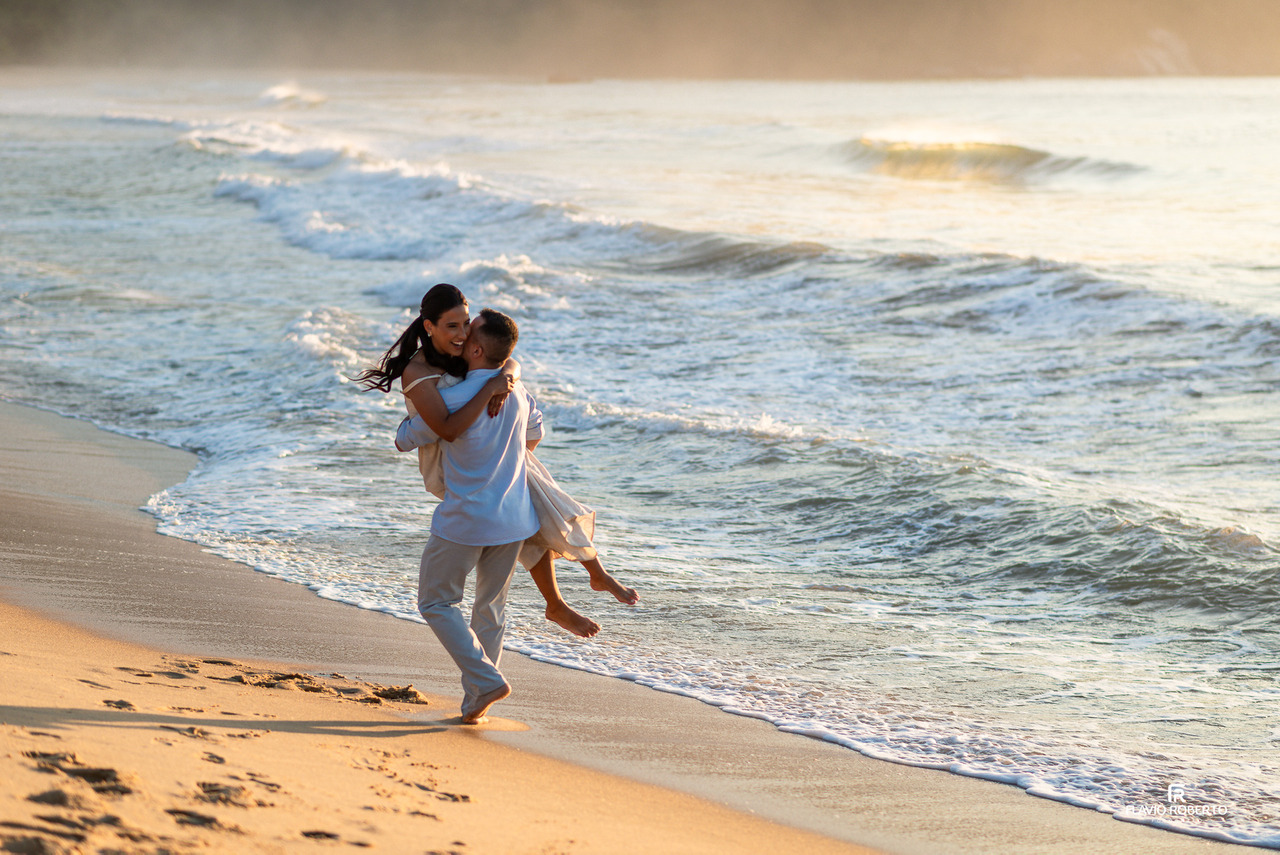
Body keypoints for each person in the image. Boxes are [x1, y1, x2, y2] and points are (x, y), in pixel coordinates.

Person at [359, 284, 636, 638]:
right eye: (453, 327)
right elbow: (430, 431)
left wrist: (508, 378)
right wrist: (497, 388)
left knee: (528, 504)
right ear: (429, 326)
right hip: (457, 453)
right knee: (537, 502)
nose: (461, 335)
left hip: (480, 460)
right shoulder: (429, 372)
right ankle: (584, 576)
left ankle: (565, 595)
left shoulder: (482, 366)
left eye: (466, 325)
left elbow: (507, 359)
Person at [409, 308, 537, 723]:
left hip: (466, 517)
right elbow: (534, 434)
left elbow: (405, 437)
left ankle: (485, 679)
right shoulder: (517, 392)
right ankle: (475, 702)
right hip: (514, 518)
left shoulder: (451, 397)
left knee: (435, 601)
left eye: (469, 330)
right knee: (490, 609)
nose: (462, 335)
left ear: (478, 348)